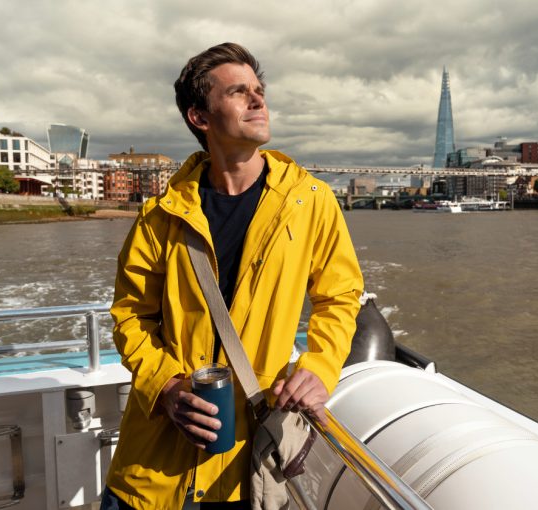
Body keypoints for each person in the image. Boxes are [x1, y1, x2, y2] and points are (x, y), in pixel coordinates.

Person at [102, 42, 363, 509]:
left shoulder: (310, 201)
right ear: (199, 117)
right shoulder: (160, 215)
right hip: (154, 472)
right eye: (239, 92)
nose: (258, 99)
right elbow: (130, 316)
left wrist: (319, 368)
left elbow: (340, 297)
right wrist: (167, 388)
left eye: (259, 90)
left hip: (248, 470)